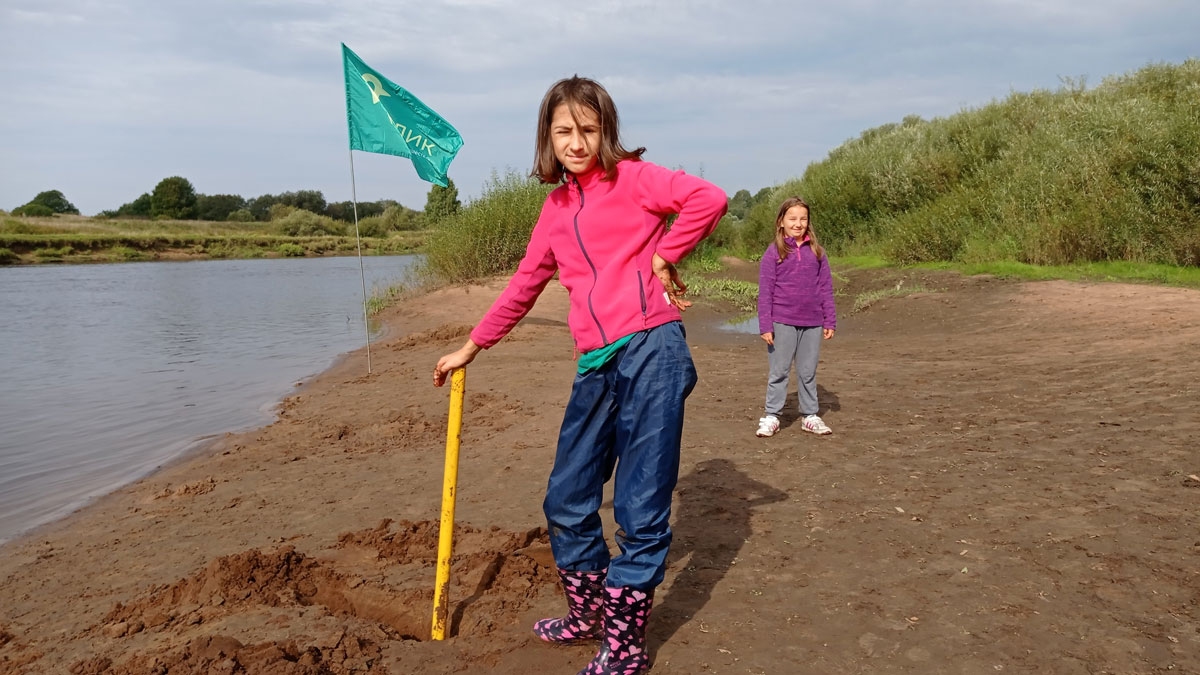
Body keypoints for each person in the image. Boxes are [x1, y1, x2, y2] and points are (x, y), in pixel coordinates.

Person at [432, 75, 727, 674]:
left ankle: (623, 647)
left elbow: (708, 199)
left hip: (652, 349)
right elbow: (523, 285)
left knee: (641, 507)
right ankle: (589, 615)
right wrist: (471, 346)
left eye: (588, 129)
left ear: (606, 131)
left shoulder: (636, 179)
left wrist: (666, 254)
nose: (576, 141)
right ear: (548, 136)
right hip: (594, 361)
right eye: (564, 131)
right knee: (567, 499)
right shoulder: (555, 208)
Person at [755, 196, 836, 438]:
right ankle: (772, 415)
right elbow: (765, 291)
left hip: (812, 322)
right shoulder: (773, 252)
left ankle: (810, 415)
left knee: (807, 371)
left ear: (808, 222)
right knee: (779, 370)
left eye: (803, 218)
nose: (798, 223)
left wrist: (829, 320)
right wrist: (765, 325)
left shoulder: (818, 252)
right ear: (781, 222)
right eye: (792, 218)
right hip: (782, 321)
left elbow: (825, 288)